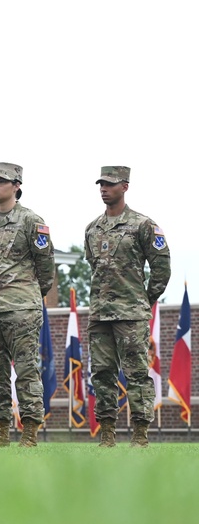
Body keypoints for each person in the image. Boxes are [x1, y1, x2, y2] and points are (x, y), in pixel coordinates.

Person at [84, 166, 171, 447]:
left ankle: (140, 435)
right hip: (99, 314)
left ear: (125, 187)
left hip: (131, 314)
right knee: (102, 374)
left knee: (136, 374)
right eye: (101, 184)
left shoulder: (143, 225)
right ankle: (107, 433)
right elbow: (93, 266)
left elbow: (161, 268)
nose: (103, 189)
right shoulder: (92, 229)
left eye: (110, 184)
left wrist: (145, 300)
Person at [0, 162, 55, 447]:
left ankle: (30, 430)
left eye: (1, 181)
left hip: (21, 308)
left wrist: (29, 296)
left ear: (17, 185)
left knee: (26, 369)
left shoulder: (31, 221)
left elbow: (46, 267)